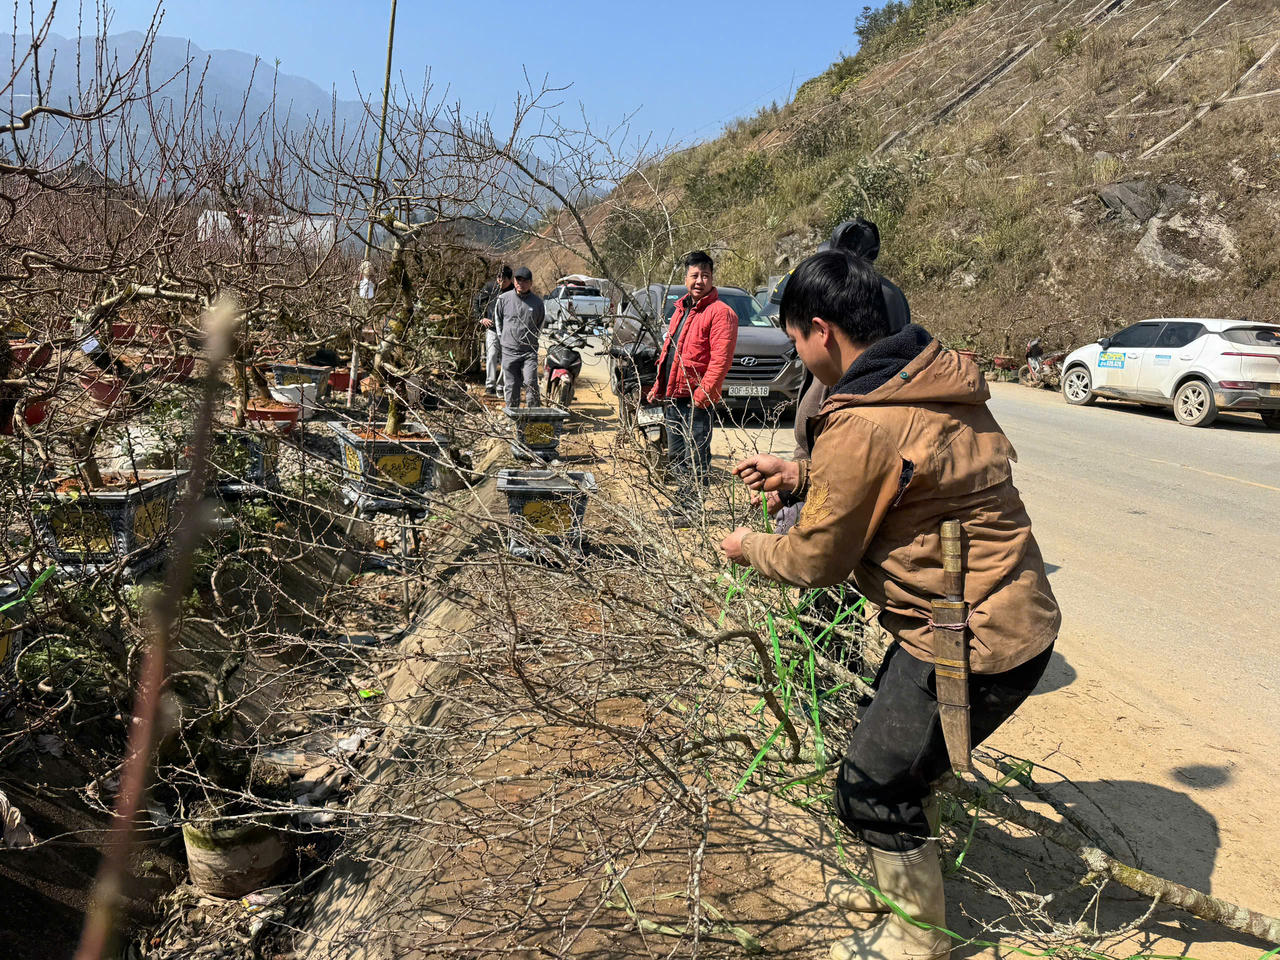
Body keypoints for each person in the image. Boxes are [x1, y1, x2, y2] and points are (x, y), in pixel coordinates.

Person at [719, 249, 1060, 960]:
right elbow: (906, 471)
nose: (799, 356)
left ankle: (914, 936)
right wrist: (801, 472)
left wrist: (748, 546)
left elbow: (818, 560)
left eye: (795, 343)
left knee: (872, 784)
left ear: (822, 331)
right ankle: (897, 893)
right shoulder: (924, 382)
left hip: (976, 638)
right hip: (994, 615)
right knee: (896, 760)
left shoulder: (866, 419)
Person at [645, 250, 739, 523]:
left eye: (705, 276)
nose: (700, 280)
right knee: (676, 453)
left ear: (712, 279)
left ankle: (693, 509)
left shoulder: (721, 313)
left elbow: (721, 359)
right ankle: (682, 502)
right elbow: (669, 351)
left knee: (695, 453)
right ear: (685, 278)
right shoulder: (681, 308)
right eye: (695, 275)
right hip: (674, 395)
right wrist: (658, 386)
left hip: (697, 398)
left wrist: (704, 393)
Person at [496, 266, 544, 409]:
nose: (520, 283)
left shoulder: (537, 303)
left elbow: (540, 324)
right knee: (511, 386)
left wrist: (533, 340)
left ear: (530, 283)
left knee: (531, 383)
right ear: (514, 281)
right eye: (518, 280)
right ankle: (513, 419)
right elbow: (498, 320)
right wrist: (502, 339)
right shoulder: (503, 299)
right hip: (509, 351)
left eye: (524, 281)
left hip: (529, 351)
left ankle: (534, 418)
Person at [476, 265, 513, 396]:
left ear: (510, 280)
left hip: (508, 332)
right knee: (491, 356)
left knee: (506, 359)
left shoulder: (514, 291)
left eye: (504, 280)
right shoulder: (490, 287)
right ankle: (490, 385)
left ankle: (500, 385)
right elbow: (477, 302)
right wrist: (482, 318)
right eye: (498, 278)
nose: (500, 282)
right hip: (492, 329)